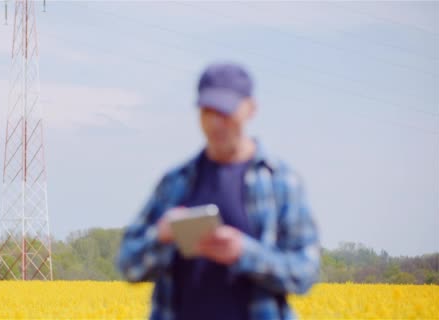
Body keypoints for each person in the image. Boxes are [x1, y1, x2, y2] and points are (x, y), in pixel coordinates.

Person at [117, 62, 320, 320]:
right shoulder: (175, 182)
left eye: (225, 112)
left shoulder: (281, 182)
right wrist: (162, 235)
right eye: (207, 111)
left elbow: (305, 272)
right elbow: (128, 265)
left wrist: (243, 253)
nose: (215, 123)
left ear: (251, 109)